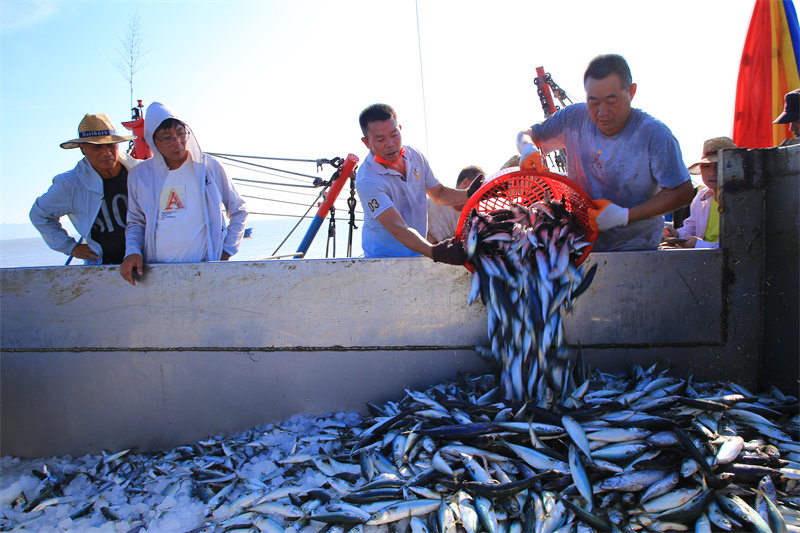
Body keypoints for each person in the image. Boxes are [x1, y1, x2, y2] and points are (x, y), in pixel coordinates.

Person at [516, 54, 694, 251]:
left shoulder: (654, 135)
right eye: (594, 102)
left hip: (635, 252)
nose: (602, 112)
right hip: (579, 248)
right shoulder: (573, 118)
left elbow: (683, 192)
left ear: (631, 92)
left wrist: (624, 215)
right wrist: (526, 146)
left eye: (611, 101)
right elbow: (528, 133)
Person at [120, 102, 247, 285]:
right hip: (156, 274)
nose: (177, 142)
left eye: (181, 134)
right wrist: (132, 251)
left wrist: (226, 251)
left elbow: (239, 210)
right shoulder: (139, 176)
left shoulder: (209, 167)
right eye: (167, 137)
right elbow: (136, 221)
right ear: (152, 140)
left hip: (206, 272)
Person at [355, 103, 483, 263]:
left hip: (418, 255)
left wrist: (470, 194)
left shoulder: (415, 156)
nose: (390, 143)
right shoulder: (367, 180)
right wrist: (436, 252)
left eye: (394, 134)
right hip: (382, 262)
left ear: (400, 129)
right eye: (380, 139)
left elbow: (438, 193)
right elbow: (397, 227)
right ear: (366, 142)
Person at [30, 113, 139, 264]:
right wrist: (72, 247)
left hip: (148, 262)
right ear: (83, 149)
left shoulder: (140, 172)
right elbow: (39, 214)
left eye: (110, 145)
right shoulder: (70, 184)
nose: (106, 152)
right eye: (97, 147)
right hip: (103, 269)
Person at [662, 137, 738, 249]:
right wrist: (676, 235)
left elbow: (736, 248)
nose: (712, 173)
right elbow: (691, 226)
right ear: (701, 170)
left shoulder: (741, 200)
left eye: (719, 165)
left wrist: (698, 244)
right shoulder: (701, 196)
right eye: (707, 166)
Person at [426, 165, 484, 244]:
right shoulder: (430, 205)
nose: (481, 191)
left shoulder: (474, 217)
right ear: (465, 182)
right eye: (479, 186)